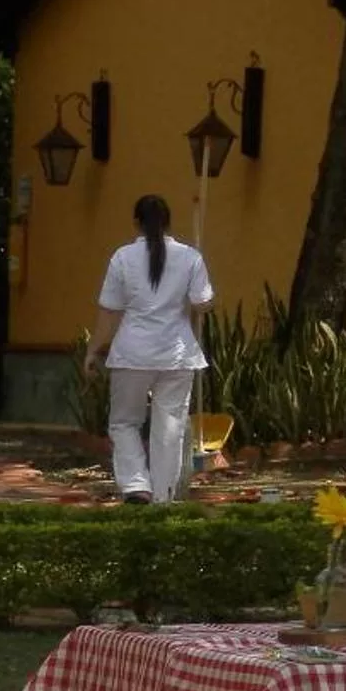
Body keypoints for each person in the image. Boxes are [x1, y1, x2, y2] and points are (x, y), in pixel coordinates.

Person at [84, 195, 214, 504]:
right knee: (170, 428)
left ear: (136, 223)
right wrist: (206, 300)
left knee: (124, 422)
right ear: (169, 222)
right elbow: (202, 303)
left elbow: (109, 312)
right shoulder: (190, 257)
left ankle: (135, 485)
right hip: (177, 354)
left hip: (133, 353)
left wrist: (93, 349)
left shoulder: (123, 258)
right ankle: (162, 497)